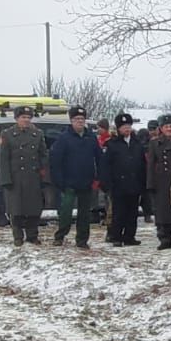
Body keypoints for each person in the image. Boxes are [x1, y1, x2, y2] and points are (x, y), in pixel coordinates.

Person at [50, 106, 103, 248]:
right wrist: (59, 180)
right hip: (69, 183)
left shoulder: (90, 137)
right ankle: (60, 236)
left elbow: (99, 158)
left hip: (87, 182)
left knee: (84, 215)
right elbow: (55, 161)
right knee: (66, 213)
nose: (80, 121)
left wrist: (98, 177)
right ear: (71, 121)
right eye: (76, 119)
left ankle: (82, 240)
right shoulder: (64, 138)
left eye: (82, 119)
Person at [0, 106, 49, 246]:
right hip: (15, 177)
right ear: (16, 119)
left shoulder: (37, 134)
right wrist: (5, 179)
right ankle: (18, 236)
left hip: (33, 177)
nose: (26, 120)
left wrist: (44, 176)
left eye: (28, 117)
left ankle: (32, 235)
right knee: (16, 210)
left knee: (34, 209)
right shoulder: (8, 134)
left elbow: (43, 155)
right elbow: (3, 159)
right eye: (23, 117)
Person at [104, 112, 145, 247]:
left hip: (134, 184)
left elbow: (142, 164)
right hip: (118, 185)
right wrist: (107, 184)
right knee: (118, 212)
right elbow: (106, 165)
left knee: (132, 213)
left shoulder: (137, 143)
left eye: (128, 126)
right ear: (118, 129)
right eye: (123, 127)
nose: (126, 129)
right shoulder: (112, 144)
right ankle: (116, 236)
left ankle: (129, 236)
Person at [147, 114, 171, 249]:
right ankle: (164, 238)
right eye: (166, 127)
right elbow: (151, 164)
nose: (169, 129)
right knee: (163, 211)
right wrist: (150, 183)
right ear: (161, 128)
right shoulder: (155, 143)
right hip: (162, 181)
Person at [138, 119, 157, 223]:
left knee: (148, 196)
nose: (152, 131)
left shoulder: (159, 141)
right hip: (143, 171)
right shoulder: (145, 141)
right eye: (151, 129)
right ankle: (147, 214)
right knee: (146, 195)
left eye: (154, 129)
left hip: (153, 172)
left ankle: (148, 214)